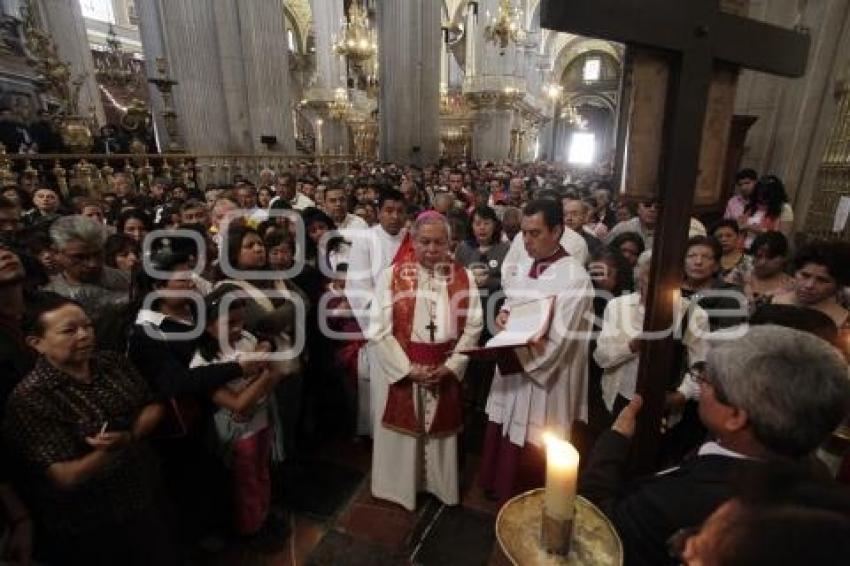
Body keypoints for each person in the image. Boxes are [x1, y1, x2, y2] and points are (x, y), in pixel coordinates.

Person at [579, 325, 850, 566]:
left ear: (735, 416)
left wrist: (614, 440)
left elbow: (593, 529)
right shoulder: (820, 481)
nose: (700, 385)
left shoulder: (671, 503)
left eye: (706, 379)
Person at [3, 292, 176, 565]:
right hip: (90, 522)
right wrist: (112, 450)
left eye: (87, 326)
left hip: (145, 496)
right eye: (69, 331)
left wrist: (129, 436)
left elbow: (153, 406)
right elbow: (65, 476)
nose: (84, 335)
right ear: (37, 343)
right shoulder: (31, 398)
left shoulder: (112, 362)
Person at [368, 211, 483, 510]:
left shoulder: (464, 277)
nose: (432, 249)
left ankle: (438, 486)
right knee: (404, 437)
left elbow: (474, 326)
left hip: (443, 369)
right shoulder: (392, 275)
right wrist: (408, 370)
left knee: (439, 432)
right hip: (406, 368)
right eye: (425, 242)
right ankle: (400, 489)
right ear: (413, 241)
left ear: (450, 243)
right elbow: (378, 329)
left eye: (439, 242)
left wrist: (452, 366)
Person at [480, 200, 593, 502]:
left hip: (544, 376)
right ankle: (495, 486)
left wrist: (512, 350)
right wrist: (503, 317)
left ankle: (523, 501)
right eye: (523, 234)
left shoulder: (575, 279)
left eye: (535, 233)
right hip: (514, 361)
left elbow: (558, 343)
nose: (526, 241)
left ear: (557, 230)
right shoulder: (528, 265)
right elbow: (510, 305)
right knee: (504, 424)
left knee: (534, 437)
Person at [190, 286, 285, 537]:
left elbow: (278, 372)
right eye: (229, 322)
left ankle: (263, 514)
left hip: (261, 421)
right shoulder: (204, 362)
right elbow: (238, 404)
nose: (238, 327)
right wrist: (263, 377)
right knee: (246, 481)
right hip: (238, 433)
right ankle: (251, 528)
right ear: (208, 325)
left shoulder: (247, 340)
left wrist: (261, 379)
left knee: (262, 469)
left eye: (241, 320)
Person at [595, 250, 709, 416]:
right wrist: (632, 346)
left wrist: (681, 395)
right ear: (639, 276)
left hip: (665, 405)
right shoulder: (617, 306)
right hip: (619, 398)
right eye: (651, 276)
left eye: (666, 278)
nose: (658, 284)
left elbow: (700, 366)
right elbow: (601, 357)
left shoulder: (695, 315)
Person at [43, 215, 130, 312]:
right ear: (56, 253)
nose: (93, 264)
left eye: (97, 254)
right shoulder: (51, 298)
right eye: (79, 257)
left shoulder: (129, 280)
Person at [771, 240, 850, 328]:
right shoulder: (770, 303)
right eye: (805, 275)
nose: (809, 285)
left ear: (838, 286)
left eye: (822, 280)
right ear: (795, 272)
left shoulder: (843, 322)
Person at [680, 236, 747, 331]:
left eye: (706, 257)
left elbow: (728, 338)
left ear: (716, 265)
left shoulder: (729, 296)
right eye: (692, 256)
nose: (698, 262)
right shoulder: (668, 289)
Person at [738, 175, 794, 249]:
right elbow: (741, 225)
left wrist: (752, 228)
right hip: (742, 247)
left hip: (765, 251)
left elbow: (782, 237)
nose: (762, 199)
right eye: (759, 195)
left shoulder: (784, 208)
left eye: (765, 197)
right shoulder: (753, 205)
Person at [743, 231, 794, 307]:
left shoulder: (791, 286)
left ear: (784, 258)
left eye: (770, 257)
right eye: (758, 256)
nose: (762, 262)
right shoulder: (739, 277)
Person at [712, 219, 751, 286]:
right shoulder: (710, 260)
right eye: (719, 237)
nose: (724, 239)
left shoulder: (749, 261)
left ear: (738, 237)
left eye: (729, 236)